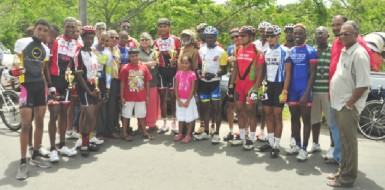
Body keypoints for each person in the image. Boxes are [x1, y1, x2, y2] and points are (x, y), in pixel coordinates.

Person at [327, 20, 371, 188]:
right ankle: (342, 171)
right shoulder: (346, 51)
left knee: (349, 144)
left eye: (347, 33)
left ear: (356, 35)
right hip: (339, 104)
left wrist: (351, 103)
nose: (342, 36)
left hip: (347, 106)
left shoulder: (359, 54)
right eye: (341, 33)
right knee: (343, 142)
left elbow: (363, 83)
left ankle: (347, 179)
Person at [15, 18, 52, 180]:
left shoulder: (45, 49)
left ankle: (35, 156)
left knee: (40, 122)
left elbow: (43, 70)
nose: (42, 32)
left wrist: (48, 89)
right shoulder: (22, 43)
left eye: (45, 30)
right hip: (26, 87)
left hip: (39, 88)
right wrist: (16, 67)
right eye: (40, 29)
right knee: (25, 124)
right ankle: (23, 163)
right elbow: (16, 61)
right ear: (34, 28)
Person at [45, 17, 79, 162]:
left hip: (67, 84)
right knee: (53, 115)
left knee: (64, 115)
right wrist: (50, 85)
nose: (70, 30)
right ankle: (52, 149)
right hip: (54, 83)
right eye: (68, 27)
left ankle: (62, 145)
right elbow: (46, 65)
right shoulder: (56, 42)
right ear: (63, 26)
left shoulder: (77, 45)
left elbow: (75, 65)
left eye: (73, 27)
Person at [257, 25, 291, 158]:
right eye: (268, 36)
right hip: (267, 85)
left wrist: (285, 91)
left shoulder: (285, 51)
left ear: (278, 36)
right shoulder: (265, 51)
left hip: (279, 85)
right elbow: (263, 70)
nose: (270, 38)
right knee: (267, 113)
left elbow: (288, 73)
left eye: (272, 36)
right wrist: (259, 87)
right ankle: (270, 142)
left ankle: (277, 144)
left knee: (277, 115)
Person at [285, 24, 318, 161]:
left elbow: (313, 74)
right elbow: (287, 72)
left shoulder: (311, 51)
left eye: (300, 33)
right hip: (293, 90)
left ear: (305, 35)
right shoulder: (290, 51)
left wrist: (306, 94)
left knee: (306, 120)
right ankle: (297, 145)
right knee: (294, 118)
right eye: (295, 33)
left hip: (304, 90)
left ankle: (304, 149)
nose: (297, 35)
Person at [228, 25, 264, 150]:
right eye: (239, 36)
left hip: (251, 86)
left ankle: (251, 139)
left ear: (251, 37)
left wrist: (256, 88)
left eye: (243, 36)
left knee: (251, 112)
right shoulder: (237, 50)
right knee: (239, 111)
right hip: (239, 85)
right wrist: (231, 86)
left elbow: (260, 72)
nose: (240, 38)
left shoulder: (257, 51)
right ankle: (243, 138)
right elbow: (235, 70)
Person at [194, 26, 228, 144]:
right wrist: (198, 71)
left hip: (214, 83)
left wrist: (213, 75)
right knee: (204, 109)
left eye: (211, 37)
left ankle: (217, 133)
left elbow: (225, 70)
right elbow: (199, 65)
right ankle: (206, 132)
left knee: (216, 109)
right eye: (207, 37)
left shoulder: (221, 52)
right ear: (204, 37)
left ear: (215, 38)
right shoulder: (201, 50)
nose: (209, 39)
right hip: (203, 83)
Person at [73, 26, 101, 156]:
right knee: (88, 115)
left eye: (92, 38)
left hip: (94, 87)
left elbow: (96, 71)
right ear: (82, 38)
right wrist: (88, 91)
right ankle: (84, 143)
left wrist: (97, 87)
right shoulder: (78, 54)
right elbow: (79, 75)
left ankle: (88, 140)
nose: (90, 40)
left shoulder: (93, 52)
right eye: (87, 38)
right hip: (84, 88)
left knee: (91, 115)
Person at [119, 47, 154, 141]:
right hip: (128, 98)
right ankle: (124, 133)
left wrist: (147, 96)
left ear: (139, 56)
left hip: (141, 97)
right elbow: (122, 83)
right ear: (129, 57)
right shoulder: (125, 68)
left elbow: (147, 83)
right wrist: (122, 97)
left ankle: (144, 132)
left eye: (136, 55)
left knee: (141, 115)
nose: (134, 58)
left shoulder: (144, 68)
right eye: (132, 56)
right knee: (126, 115)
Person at [154, 18, 181, 133]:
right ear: (158, 28)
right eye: (161, 26)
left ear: (169, 27)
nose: (163, 28)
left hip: (173, 71)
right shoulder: (156, 41)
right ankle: (165, 123)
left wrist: (177, 62)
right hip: (161, 72)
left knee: (173, 97)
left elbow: (180, 54)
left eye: (165, 26)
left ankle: (174, 122)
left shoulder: (176, 39)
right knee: (163, 98)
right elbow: (155, 56)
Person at [310, 26, 331, 156]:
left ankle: (333, 147)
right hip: (313, 91)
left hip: (328, 92)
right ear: (315, 36)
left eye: (323, 33)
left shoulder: (333, 51)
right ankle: (315, 144)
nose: (320, 35)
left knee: (331, 122)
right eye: (318, 33)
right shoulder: (311, 51)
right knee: (314, 119)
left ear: (328, 36)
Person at [173, 56, 199, 143]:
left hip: (189, 100)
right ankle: (180, 133)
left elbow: (192, 88)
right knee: (181, 117)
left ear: (190, 64)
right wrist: (178, 99)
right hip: (180, 99)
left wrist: (188, 100)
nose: (184, 65)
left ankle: (188, 135)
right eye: (183, 63)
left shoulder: (192, 74)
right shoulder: (178, 74)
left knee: (190, 117)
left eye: (186, 63)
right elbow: (176, 87)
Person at [139, 32, 160, 131]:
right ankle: (141, 125)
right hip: (140, 82)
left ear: (150, 41)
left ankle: (151, 124)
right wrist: (149, 63)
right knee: (141, 104)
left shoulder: (154, 51)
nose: (144, 41)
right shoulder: (137, 51)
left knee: (152, 104)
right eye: (142, 39)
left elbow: (157, 63)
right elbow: (136, 63)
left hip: (153, 81)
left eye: (146, 39)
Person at [254, 21, 271, 141]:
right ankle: (252, 129)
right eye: (261, 30)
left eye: (265, 30)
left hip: (268, 78)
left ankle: (262, 129)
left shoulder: (272, 43)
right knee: (252, 104)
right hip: (255, 77)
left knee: (265, 105)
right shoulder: (255, 44)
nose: (263, 33)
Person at [223, 28, 241, 141]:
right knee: (230, 106)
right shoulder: (230, 48)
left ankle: (244, 132)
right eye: (232, 37)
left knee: (242, 108)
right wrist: (229, 62)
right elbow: (228, 66)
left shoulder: (247, 48)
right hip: (232, 79)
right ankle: (230, 131)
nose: (235, 39)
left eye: (237, 36)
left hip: (243, 80)